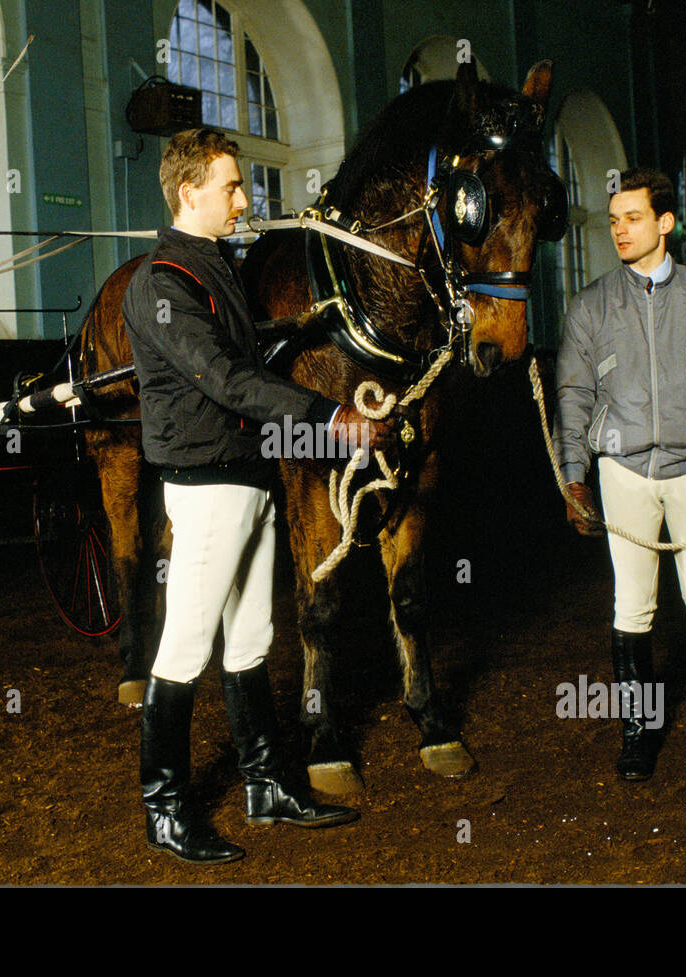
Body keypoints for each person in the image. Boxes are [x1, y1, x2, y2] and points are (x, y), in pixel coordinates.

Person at [123, 127, 392, 864]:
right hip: (206, 482)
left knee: (250, 641)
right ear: (190, 193)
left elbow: (243, 350)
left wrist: (306, 324)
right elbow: (225, 377)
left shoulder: (215, 267)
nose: (244, 198)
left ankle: (265, 784)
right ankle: (165, 809)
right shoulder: (162, 283)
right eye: (232, 186)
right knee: (184, 646)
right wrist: (330, 416)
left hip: (250, 471)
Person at [553, 168, 686, 781]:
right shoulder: (590, 305)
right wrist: (574, 478)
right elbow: (572, 397)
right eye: (614, 220)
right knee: (632, 606)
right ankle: (639, 737)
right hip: (622, 474)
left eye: (634, 218)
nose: (620, 230)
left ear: (665, 222)